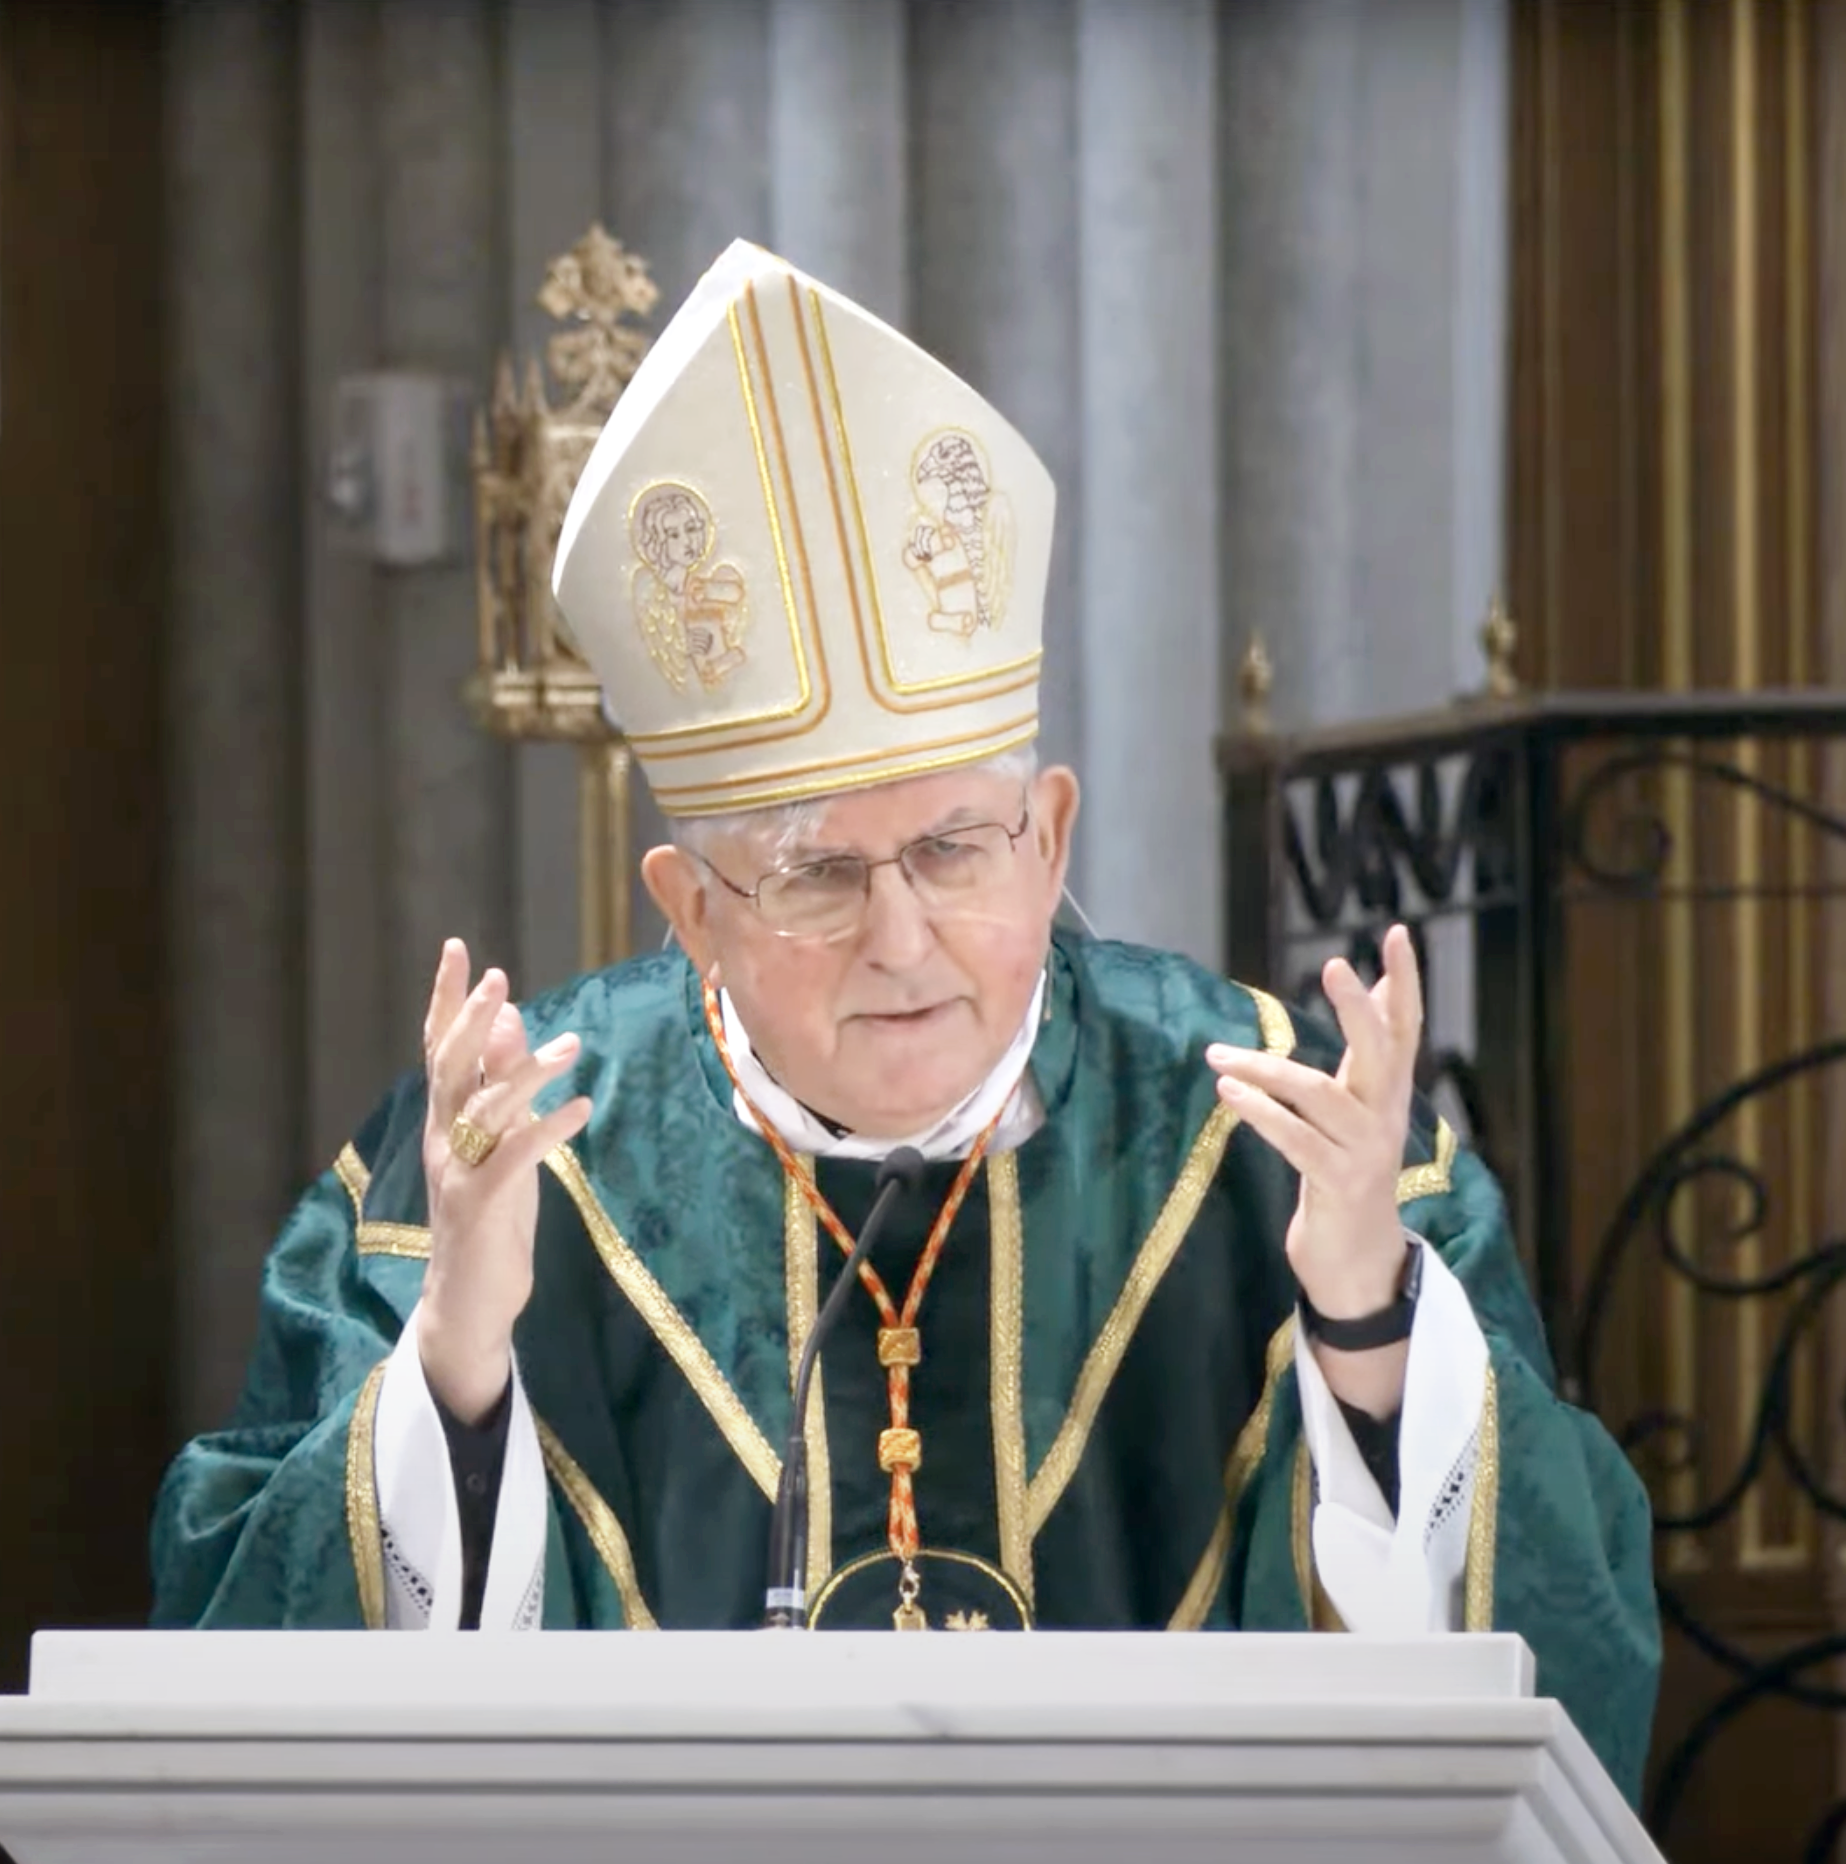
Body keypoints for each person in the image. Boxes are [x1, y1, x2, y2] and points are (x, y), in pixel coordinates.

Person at [151, 240, 1659, 1802]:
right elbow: (242, 1647)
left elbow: (1564, 1648)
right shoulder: (493, 1158)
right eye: (815, 876)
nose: (901, 938)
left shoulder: (1291, 1141)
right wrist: (461, 1358)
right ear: (690, 910)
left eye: (954, 850)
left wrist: (1363, 1326)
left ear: (1053, 838)